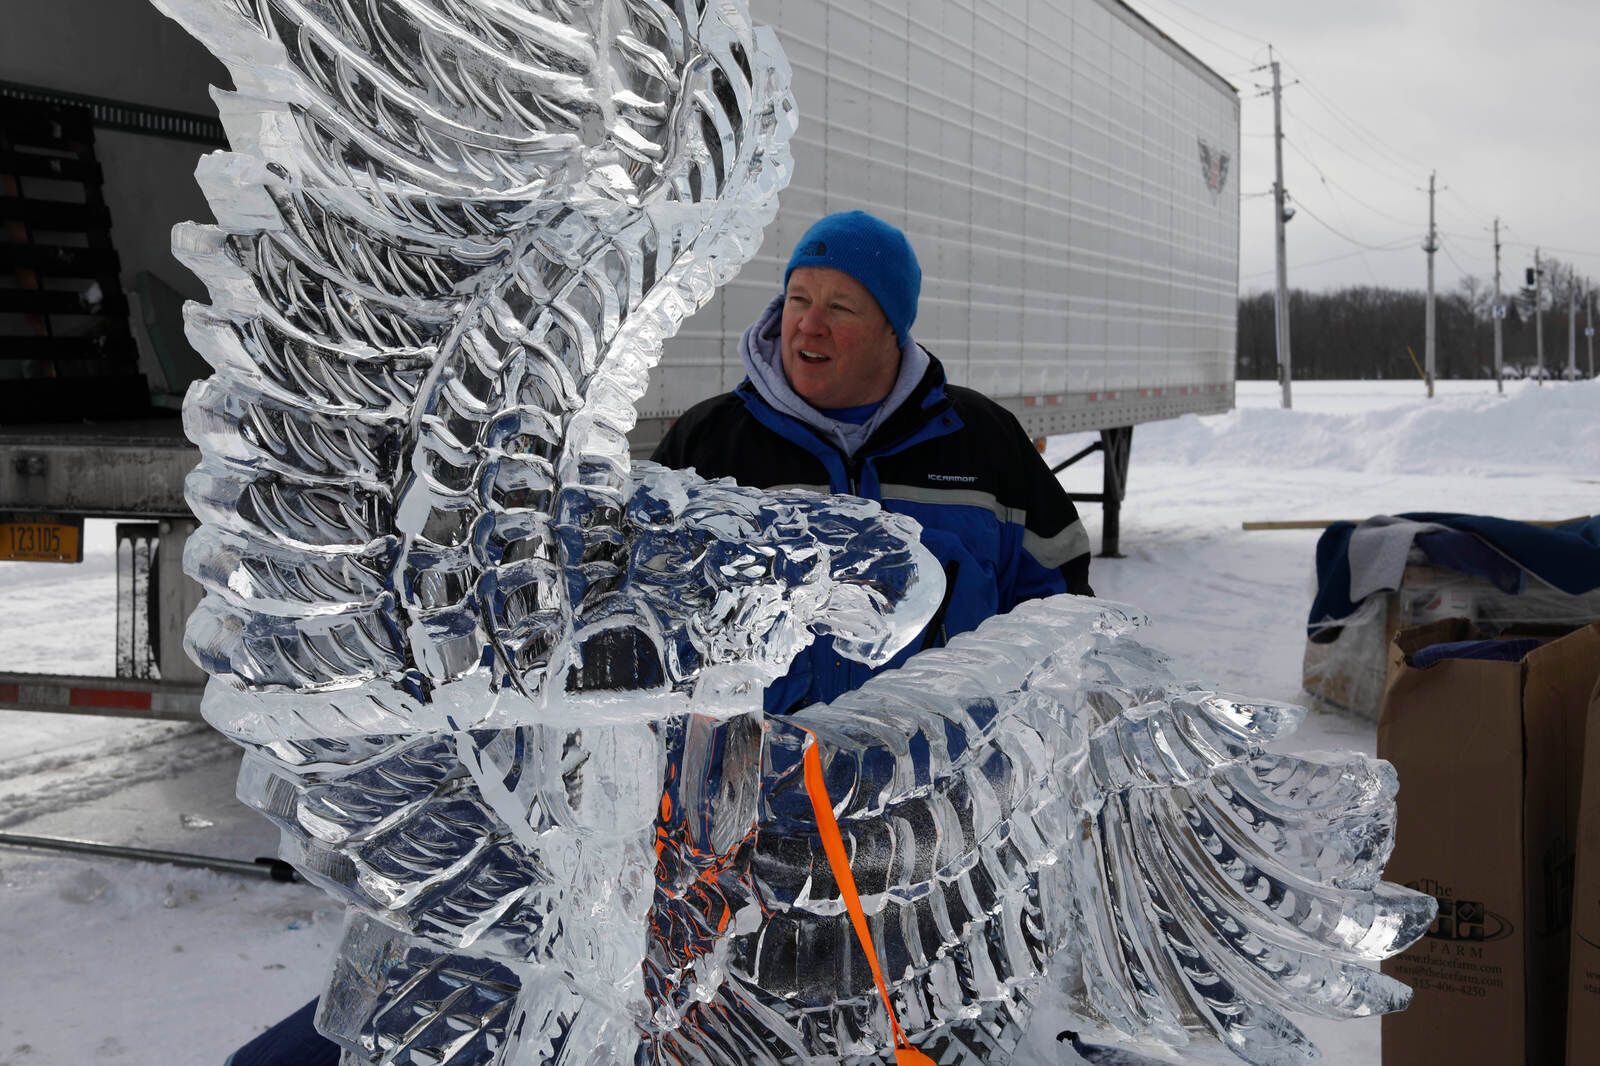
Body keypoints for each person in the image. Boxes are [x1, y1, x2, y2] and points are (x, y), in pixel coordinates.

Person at [652, 209, 1093, 714]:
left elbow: (1061, 608)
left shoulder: (984, 441)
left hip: (935, 778)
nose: (809, 325)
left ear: (892, 328)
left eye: (840, 307)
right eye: (798, 300)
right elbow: (650, 619)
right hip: (757, 779)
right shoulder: (707, 445)